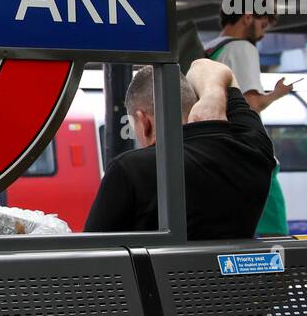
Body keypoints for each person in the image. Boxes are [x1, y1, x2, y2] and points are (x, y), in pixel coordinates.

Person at [83, 59, 276, 240]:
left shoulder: (129, 169)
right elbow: (206, 66)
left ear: (144, 121)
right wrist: (213, 95)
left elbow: (92, 253)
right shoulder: (253, 148)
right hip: (235, 275)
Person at [203, 7, 292, 235]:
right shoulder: (242, 48)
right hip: (250, 157)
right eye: (262, 26)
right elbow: (250, 105)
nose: (262, 35)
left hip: (218, 156)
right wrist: (278, 93)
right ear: (248, 16)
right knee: (275, 242)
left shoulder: (208, 49)